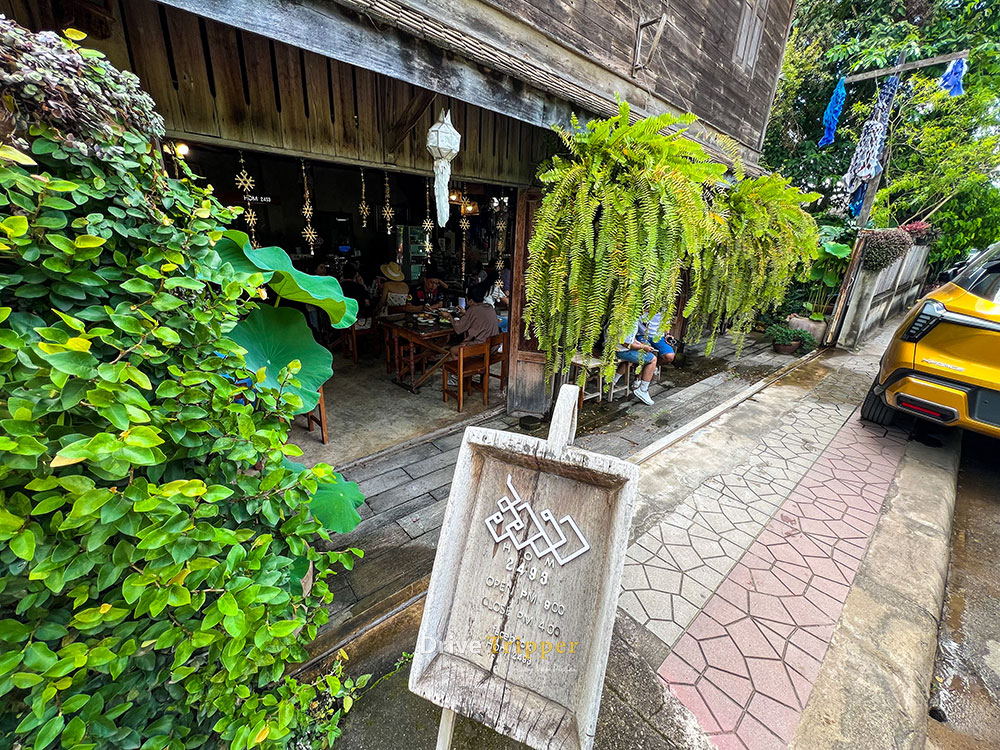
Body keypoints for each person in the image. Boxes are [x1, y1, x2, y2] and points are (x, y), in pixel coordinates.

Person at [441, 281, 500, 356]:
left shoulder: (473, 309)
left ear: (471, 301)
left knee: (453, 350)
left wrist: (449, 316)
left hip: (482, 348)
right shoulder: (489, 307)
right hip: (493, 347)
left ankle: (462, 364)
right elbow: (478, 317)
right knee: (462, 344)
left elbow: (459, 327)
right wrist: (466, 313)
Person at [611, 317, 658, 406]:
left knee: (635, 358)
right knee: (653, 359)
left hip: (619, 348)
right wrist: (642, 347)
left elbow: (631, 338)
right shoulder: (627, 320)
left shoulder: (630, 316)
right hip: (620, 350)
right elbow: (625, 343)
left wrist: (639, 344)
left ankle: (612, 381)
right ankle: (643, 390)